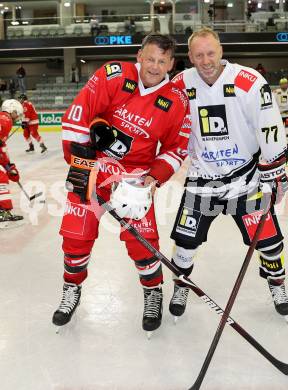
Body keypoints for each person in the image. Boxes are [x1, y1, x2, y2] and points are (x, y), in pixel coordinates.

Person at [52, 34, 190, 336]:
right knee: (76, 235)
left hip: (135, 177)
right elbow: (77, 116)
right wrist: (81, 164)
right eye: (150, 58)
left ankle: (153, 293)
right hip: (91, 166)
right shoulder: (114, 74)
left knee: (144, 242)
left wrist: (150, 181)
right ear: (139, 55)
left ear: (171, 64)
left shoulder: (177, 101)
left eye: (162, 61)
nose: (155, 67)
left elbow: (176, 148)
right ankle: (71, 289)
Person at [169, 27, 288, 322]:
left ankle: (277, 284)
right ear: (190, 57)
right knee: (185, 243)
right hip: (201, 180)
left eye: (210, 52)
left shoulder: (247, 80)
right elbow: (166, 127)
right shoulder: (179, 84)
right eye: (199, 55)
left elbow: (270, 126)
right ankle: (181, 285)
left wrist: (275, 171)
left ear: (221, 50)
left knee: (269, 242)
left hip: (245, 181)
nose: (206, 60)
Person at [0, 99, 24, 226]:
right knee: (1, 179)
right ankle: (3, 211)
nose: (17, 117)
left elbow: (1, 148)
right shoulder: (5, 119)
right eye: (17, 113)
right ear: (11, 110)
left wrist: (9, 166)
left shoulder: (4, 119)